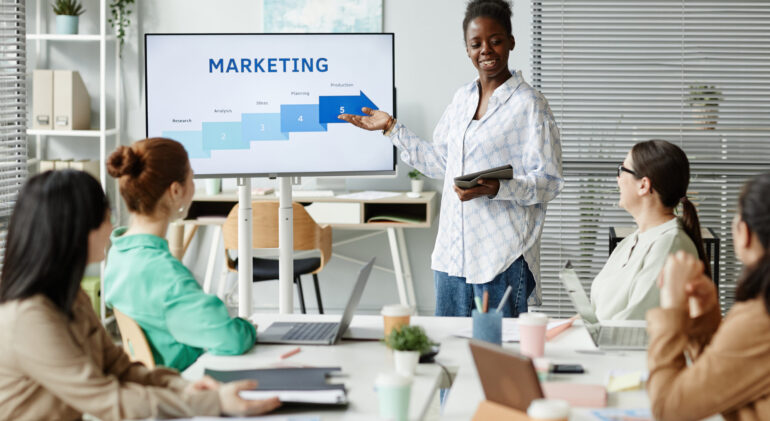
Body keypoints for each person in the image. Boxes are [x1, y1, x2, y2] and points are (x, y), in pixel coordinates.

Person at [340, 0, 563, 317]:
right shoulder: (461, 99)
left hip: (500, 258)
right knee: (448, 353)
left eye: (495, 40)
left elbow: (549, 183)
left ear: (511, 42)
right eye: (476, 44)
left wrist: (495, 188)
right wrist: (390, 127)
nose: (485, 50)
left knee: (496, 358)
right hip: (451, 256)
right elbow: (439, 164)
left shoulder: (530, 105)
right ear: (468, 49)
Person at [0, 170, 280, 420]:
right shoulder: (29, 318)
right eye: (105, 220)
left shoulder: (70, 297)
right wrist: (209, 401)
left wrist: (185, 386)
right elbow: (107, 399)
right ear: (75, 231)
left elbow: (121, 369)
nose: (111, 229)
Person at [104, 138, 256, 371]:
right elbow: (231, 339)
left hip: (150, 381)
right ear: (175, 190)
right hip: (181, 384)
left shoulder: (119, 254)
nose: (193, 185)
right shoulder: (165, 275)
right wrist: (248, 327)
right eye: (192, 177)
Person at [647, 172, 770, 420]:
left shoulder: (759, 319)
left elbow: (668, 408)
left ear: (744, 232)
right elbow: (727, 381)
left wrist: (672, 307)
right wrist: (706, 320)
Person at [589, 139, 710, 320]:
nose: (618, 179)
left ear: (644, 185)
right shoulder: (631, 241)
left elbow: (635, 324)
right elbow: (597, 314)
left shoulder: (670, 245)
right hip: (600, 345)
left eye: (622, 170)